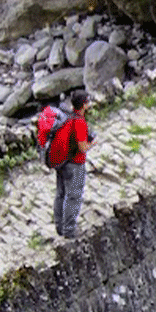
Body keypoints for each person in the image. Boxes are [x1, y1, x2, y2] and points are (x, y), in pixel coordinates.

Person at [53, 90, 94, 238]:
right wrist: (92, 143)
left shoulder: (66, 116)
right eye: (87, 102)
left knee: (60, 194)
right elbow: (82, 147)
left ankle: (59, 226)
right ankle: (69, 230)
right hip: (75, 164)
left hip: (61, 161)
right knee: (73, 196)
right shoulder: (80, 122)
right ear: (83, 105)